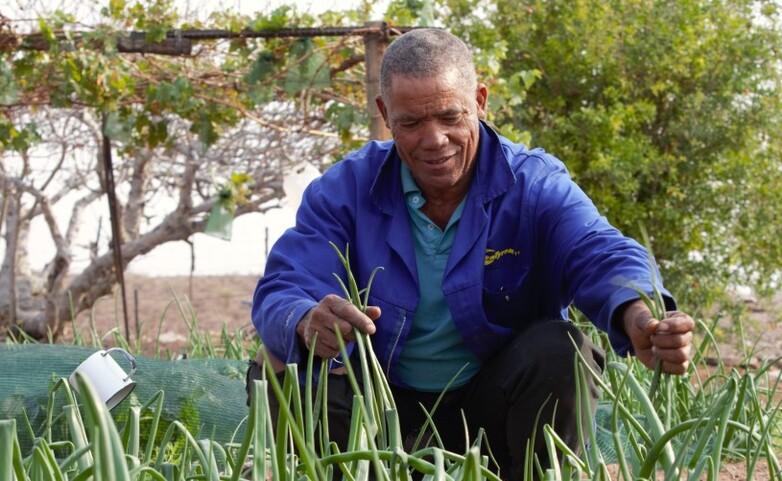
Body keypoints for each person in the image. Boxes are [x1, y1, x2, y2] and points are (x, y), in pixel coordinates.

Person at [248, 28, 694, 479]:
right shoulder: (346, 188)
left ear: (480, 101)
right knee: (277, 361)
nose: (434, 139)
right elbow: (287, 284)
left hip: (490, 415)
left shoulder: (533, 184)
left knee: (565, 350)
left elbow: (596, 250)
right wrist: (306, 321)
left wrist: (638, 313)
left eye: (449, 116)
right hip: (377, 416)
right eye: (411, 123)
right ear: (385, 115)